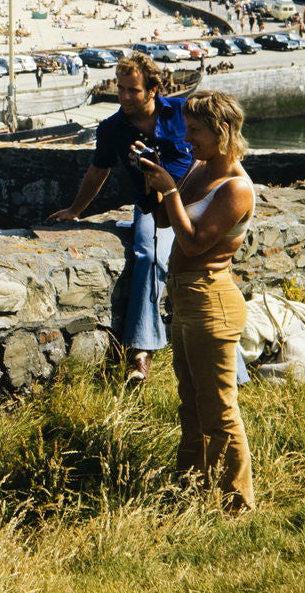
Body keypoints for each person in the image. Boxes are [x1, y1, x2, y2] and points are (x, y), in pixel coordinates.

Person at [132, 91, 255, 512]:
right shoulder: (200, 168)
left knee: (219, 408)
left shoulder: (236, 187)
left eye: (196, 131)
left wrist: (170, 189)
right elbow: (167, 220)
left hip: (211, 299)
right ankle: (190, 489)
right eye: (186, 129)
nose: (187, 139)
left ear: (222, 131)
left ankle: (238, 504)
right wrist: (156, 182)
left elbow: (194, 242)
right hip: (185, 298)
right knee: (190, 400)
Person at [47, 53, 193, 384]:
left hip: (194, 199)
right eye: (121, 89)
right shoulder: (112, 128)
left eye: (133, 90)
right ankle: (141, 353)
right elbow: (98, 170)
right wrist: (75, 211)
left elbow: (215, 144)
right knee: (148, 255)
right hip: (153, 207)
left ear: (154, 89)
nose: (125, 97)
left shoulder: (183, 112)